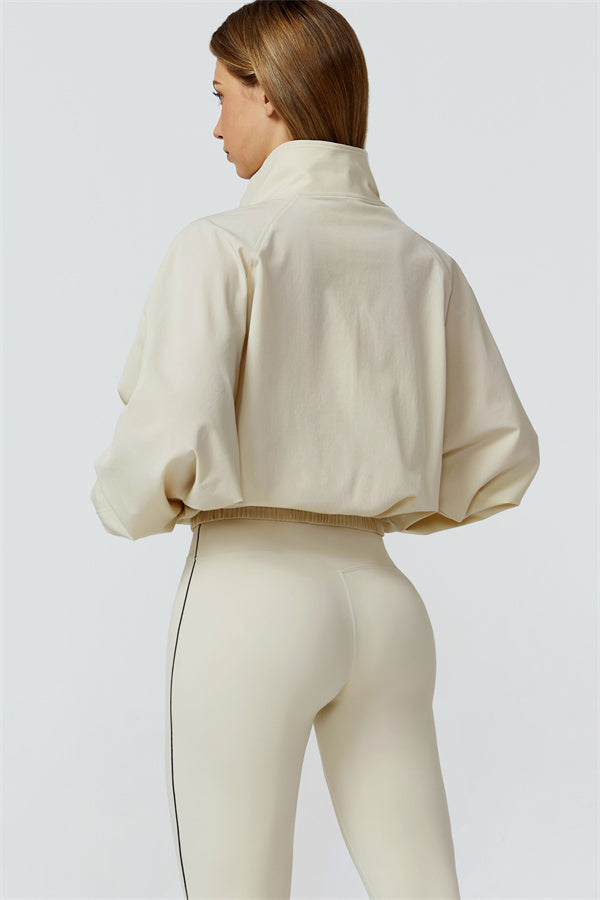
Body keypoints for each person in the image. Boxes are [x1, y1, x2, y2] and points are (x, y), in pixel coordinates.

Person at [90, 1, 540, 897]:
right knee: (423, 885)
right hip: (385, 604)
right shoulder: (425, 264)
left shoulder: (222, 245)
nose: (216, 125)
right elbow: (502, 454)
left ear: (270, 93)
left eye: (222, 95)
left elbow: (161, 444)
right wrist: (389, 499)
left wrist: (122, 504)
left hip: (249, 598)